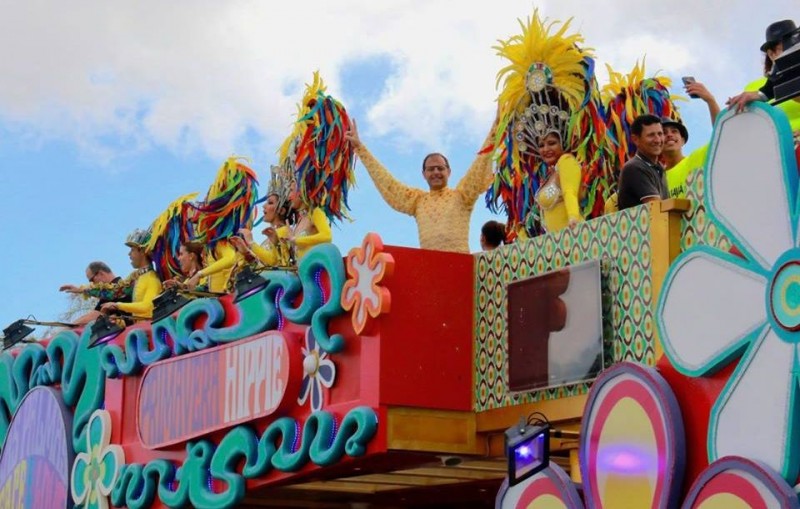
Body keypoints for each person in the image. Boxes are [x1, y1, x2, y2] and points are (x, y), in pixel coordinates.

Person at [346, 115, 497, 253]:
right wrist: (360, 148)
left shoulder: (463, 195)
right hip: (428, 268)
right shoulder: (417, 200)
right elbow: (388, 184)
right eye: (431, 169)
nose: (436, 172)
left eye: (440, 168)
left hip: (460, 266)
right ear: (424, 174)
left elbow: (480, 162)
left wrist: (496, 126)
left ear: (449, 172)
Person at [727, 20, 798, 112]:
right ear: (772, 54)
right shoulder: (771, 83)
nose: (793, 51)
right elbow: (770, 88)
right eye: (787, 47)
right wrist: (761, 94)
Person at [99, 229, 163, 319]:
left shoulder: (152, 278)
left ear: (142, 251)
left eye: (132, 250)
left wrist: (118, 305)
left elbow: (148, 307)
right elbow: (115, 290)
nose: (129, 254)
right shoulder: (137, 276)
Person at [617, 115, 667, 210]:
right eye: (651, 135)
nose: (657, 140)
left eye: (660, 134)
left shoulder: (659, 168)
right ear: (636, 140)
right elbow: (657, 208)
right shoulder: (634, 168)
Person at [59, 261, 133, 325]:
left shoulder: (121, 289)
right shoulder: (110, 294)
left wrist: (70, 326)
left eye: (92, 280)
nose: (92, 284)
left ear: (100, 274)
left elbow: (95, 315)